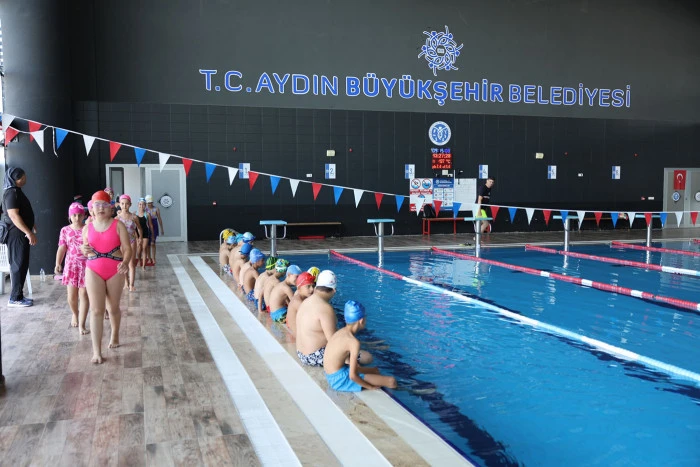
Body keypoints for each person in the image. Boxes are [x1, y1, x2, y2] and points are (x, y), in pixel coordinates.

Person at [82, 190, 132, 364]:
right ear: (92, 209)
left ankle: (115, 334)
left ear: (111, 208)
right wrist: (83, 249)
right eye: (97, 205)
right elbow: (84, 248)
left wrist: (125, 262)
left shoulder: (118, 225)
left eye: (104, 205)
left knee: (113, 307)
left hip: (115, 269)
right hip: (93, 269)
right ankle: (96, 351)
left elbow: (127, 248)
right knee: (96, 310)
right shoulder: (87, 228)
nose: (101, 208)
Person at [296, 270, 372, 367]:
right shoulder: (325, 308)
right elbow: (334, 341)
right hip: (314, 357)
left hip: (301, 353)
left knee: (354, 343)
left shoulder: (306, 301)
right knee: (367, 357)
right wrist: (349, 362)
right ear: (334, 290)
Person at [324, 300, 397, 392]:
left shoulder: (340, 332)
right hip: (340, 380)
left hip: (332, 375)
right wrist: (370, 387)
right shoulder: (353, 342)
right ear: (361, 321)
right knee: (391, 381)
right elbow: (352, 376)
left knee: (375, 370)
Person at [1, 167, 36, 307]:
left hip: (20, 233)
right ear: (14, 179)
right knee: (18, 264)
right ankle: (15, 298)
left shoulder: (16, 191)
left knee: (22, 263)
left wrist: (32, 224)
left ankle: (19, 296)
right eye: (22, 176)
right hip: (16, 234)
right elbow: (13, 216)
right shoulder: (11, 193)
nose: (24, 178)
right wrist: (29, 232)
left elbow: (22, 212)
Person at [54, 202, 89, 334]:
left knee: (84, 294)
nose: (77, 218)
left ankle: (82, 323)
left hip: (86, 266)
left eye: (80, 215)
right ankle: (75, 313)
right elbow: (62, 248)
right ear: (69, 216)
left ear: (84, 216)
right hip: (71, 266)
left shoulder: (87, 228)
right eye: (74, 215)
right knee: (71, 297)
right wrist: (58, 263)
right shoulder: (65, 230)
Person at [116, 195, 142, 291]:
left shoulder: (134, 217)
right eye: (122, 204)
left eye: (127, 204)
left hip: (132, 241)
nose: (124, 206)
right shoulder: (117, 218)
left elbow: (139, 228)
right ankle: (126, 282)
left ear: (130, 205)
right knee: (124, 263)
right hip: (121, 243)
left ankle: (132, 284)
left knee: (131, 263)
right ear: (119, 204)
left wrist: (140, 238)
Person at [144, 195, 164, 265]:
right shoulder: (145, 209)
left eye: (151, 202)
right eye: (148, 203)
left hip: (154, 226)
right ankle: (149, 258)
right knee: (148, 244)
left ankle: (153, 258)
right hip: (147, 226)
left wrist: (162, 228)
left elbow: (159, 219)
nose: (150, 204)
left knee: (153, 243)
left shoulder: (156, 209)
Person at [135, 198, 153, 270]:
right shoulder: (134, 214)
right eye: (140, 204)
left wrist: (152, 235)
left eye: (143, 204)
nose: (141, 206)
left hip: (145, 232)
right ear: (138, 205)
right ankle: (139, 260)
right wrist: (136, 236)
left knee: (144, 248)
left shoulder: (147, 214)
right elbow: (133, 225)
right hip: (137, 233)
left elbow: (150, 225)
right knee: (139, 249)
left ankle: (143, 266)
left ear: (145, 205)